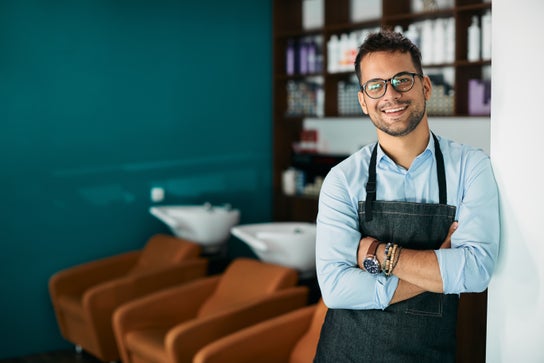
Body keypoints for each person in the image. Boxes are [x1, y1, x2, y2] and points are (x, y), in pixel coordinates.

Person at [314, 30, 500, 362]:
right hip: (345, 352)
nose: (391, 95)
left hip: (428, 354)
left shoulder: (472, 167)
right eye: (376, 85)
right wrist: (437, 267)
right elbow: (336, 288)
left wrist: (378, 254)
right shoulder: (342, 179)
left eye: (402, 80)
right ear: (363, 101)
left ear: (425, 86)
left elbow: (475, 270)